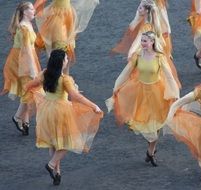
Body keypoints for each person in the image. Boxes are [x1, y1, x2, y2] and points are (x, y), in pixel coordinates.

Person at [25, 49, 103, 185]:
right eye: (66, 59)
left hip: (46, 110)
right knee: (68, 142)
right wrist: (93, 106)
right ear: (62, 62)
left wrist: (39, 95)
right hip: (61, 111)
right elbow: (76, 96)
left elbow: (32, 85)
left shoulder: (45, 74)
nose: (67, 60)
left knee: (54, 142)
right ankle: (51, 165)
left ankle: (57, 172)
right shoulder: (65, 79)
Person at [106, 31, 179, 167]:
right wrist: (116, 87)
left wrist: (175, 93)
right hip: (141, 92)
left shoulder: (159, 57)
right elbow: (126, 72)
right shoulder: (138, 56)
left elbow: (169, 76)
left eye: (145, 41)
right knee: (146, 123)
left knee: (157, 123)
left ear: (152, 42)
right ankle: (151, 150)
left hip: (158, 93)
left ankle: (150, 151)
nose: (143, 43)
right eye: (142, 41)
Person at [111, 0, 181, 88]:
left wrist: (131, 52)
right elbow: (162, 15)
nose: (139, 9)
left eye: (141, 8)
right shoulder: (154, 20)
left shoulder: (146, 29)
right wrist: (167, 28)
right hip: (157, 33)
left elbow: (135, 30)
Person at [1, 1, 41, 136]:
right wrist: (32, 69)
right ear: (24, 12)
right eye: (31, 9)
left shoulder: (27, 25)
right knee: (30, 89)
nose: (34, 10)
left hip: (21, 58)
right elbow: (27, 51)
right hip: (21, 61)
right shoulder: (24, 28)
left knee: (29, 89)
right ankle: (18, 117)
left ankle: (25, 122)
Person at [34, 0, 100, 65]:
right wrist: (33, 9)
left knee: (66, 45)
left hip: (67, 15)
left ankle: (62, 71)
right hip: (58, 16)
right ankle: (51, 68)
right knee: (58, 44)